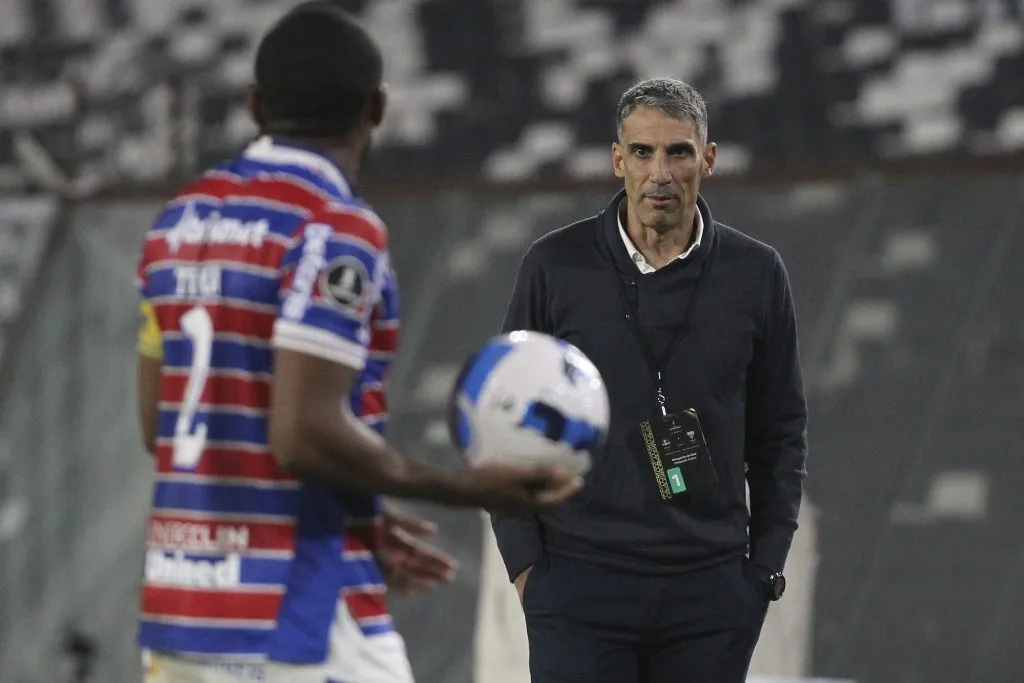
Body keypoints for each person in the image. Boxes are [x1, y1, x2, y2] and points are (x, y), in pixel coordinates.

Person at [134, 3, 581, 682]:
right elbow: (302, 435)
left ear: (255, 104)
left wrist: (361, 510)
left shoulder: (177, 223)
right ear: (375, 108)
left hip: (184, 611)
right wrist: (464, 486)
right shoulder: (333, 227)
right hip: (298, 616)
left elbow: (157, 424)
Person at [491, 77, 808, 682]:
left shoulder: (757, 274)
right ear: (618, 160)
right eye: (642, 152)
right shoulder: (555, 267)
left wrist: (763, 571)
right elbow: (503, 413)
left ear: (707, 160)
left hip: (710, 595)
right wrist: (527, 564)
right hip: (578, 585)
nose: (659, 172)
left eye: (678, 152)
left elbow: (781, 432)